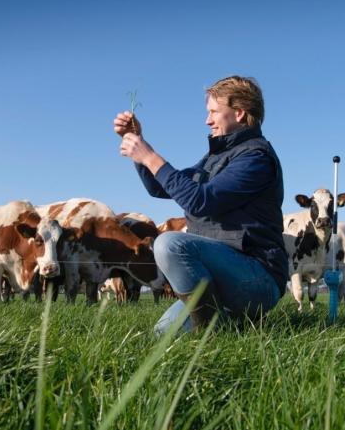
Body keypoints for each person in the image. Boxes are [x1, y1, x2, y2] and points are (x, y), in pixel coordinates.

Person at [114, 75, 287, 334]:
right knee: (162, 334)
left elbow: (199, 201)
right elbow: (159, 186)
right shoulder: (215, 158)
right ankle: (230, 322)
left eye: (214, 112)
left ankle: (211, 331)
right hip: (220, 275)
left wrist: (149, 155)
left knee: (169, 244)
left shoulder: (255, 159)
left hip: (256, 278)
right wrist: (138, 146)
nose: (208, 120)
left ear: (239, 113)